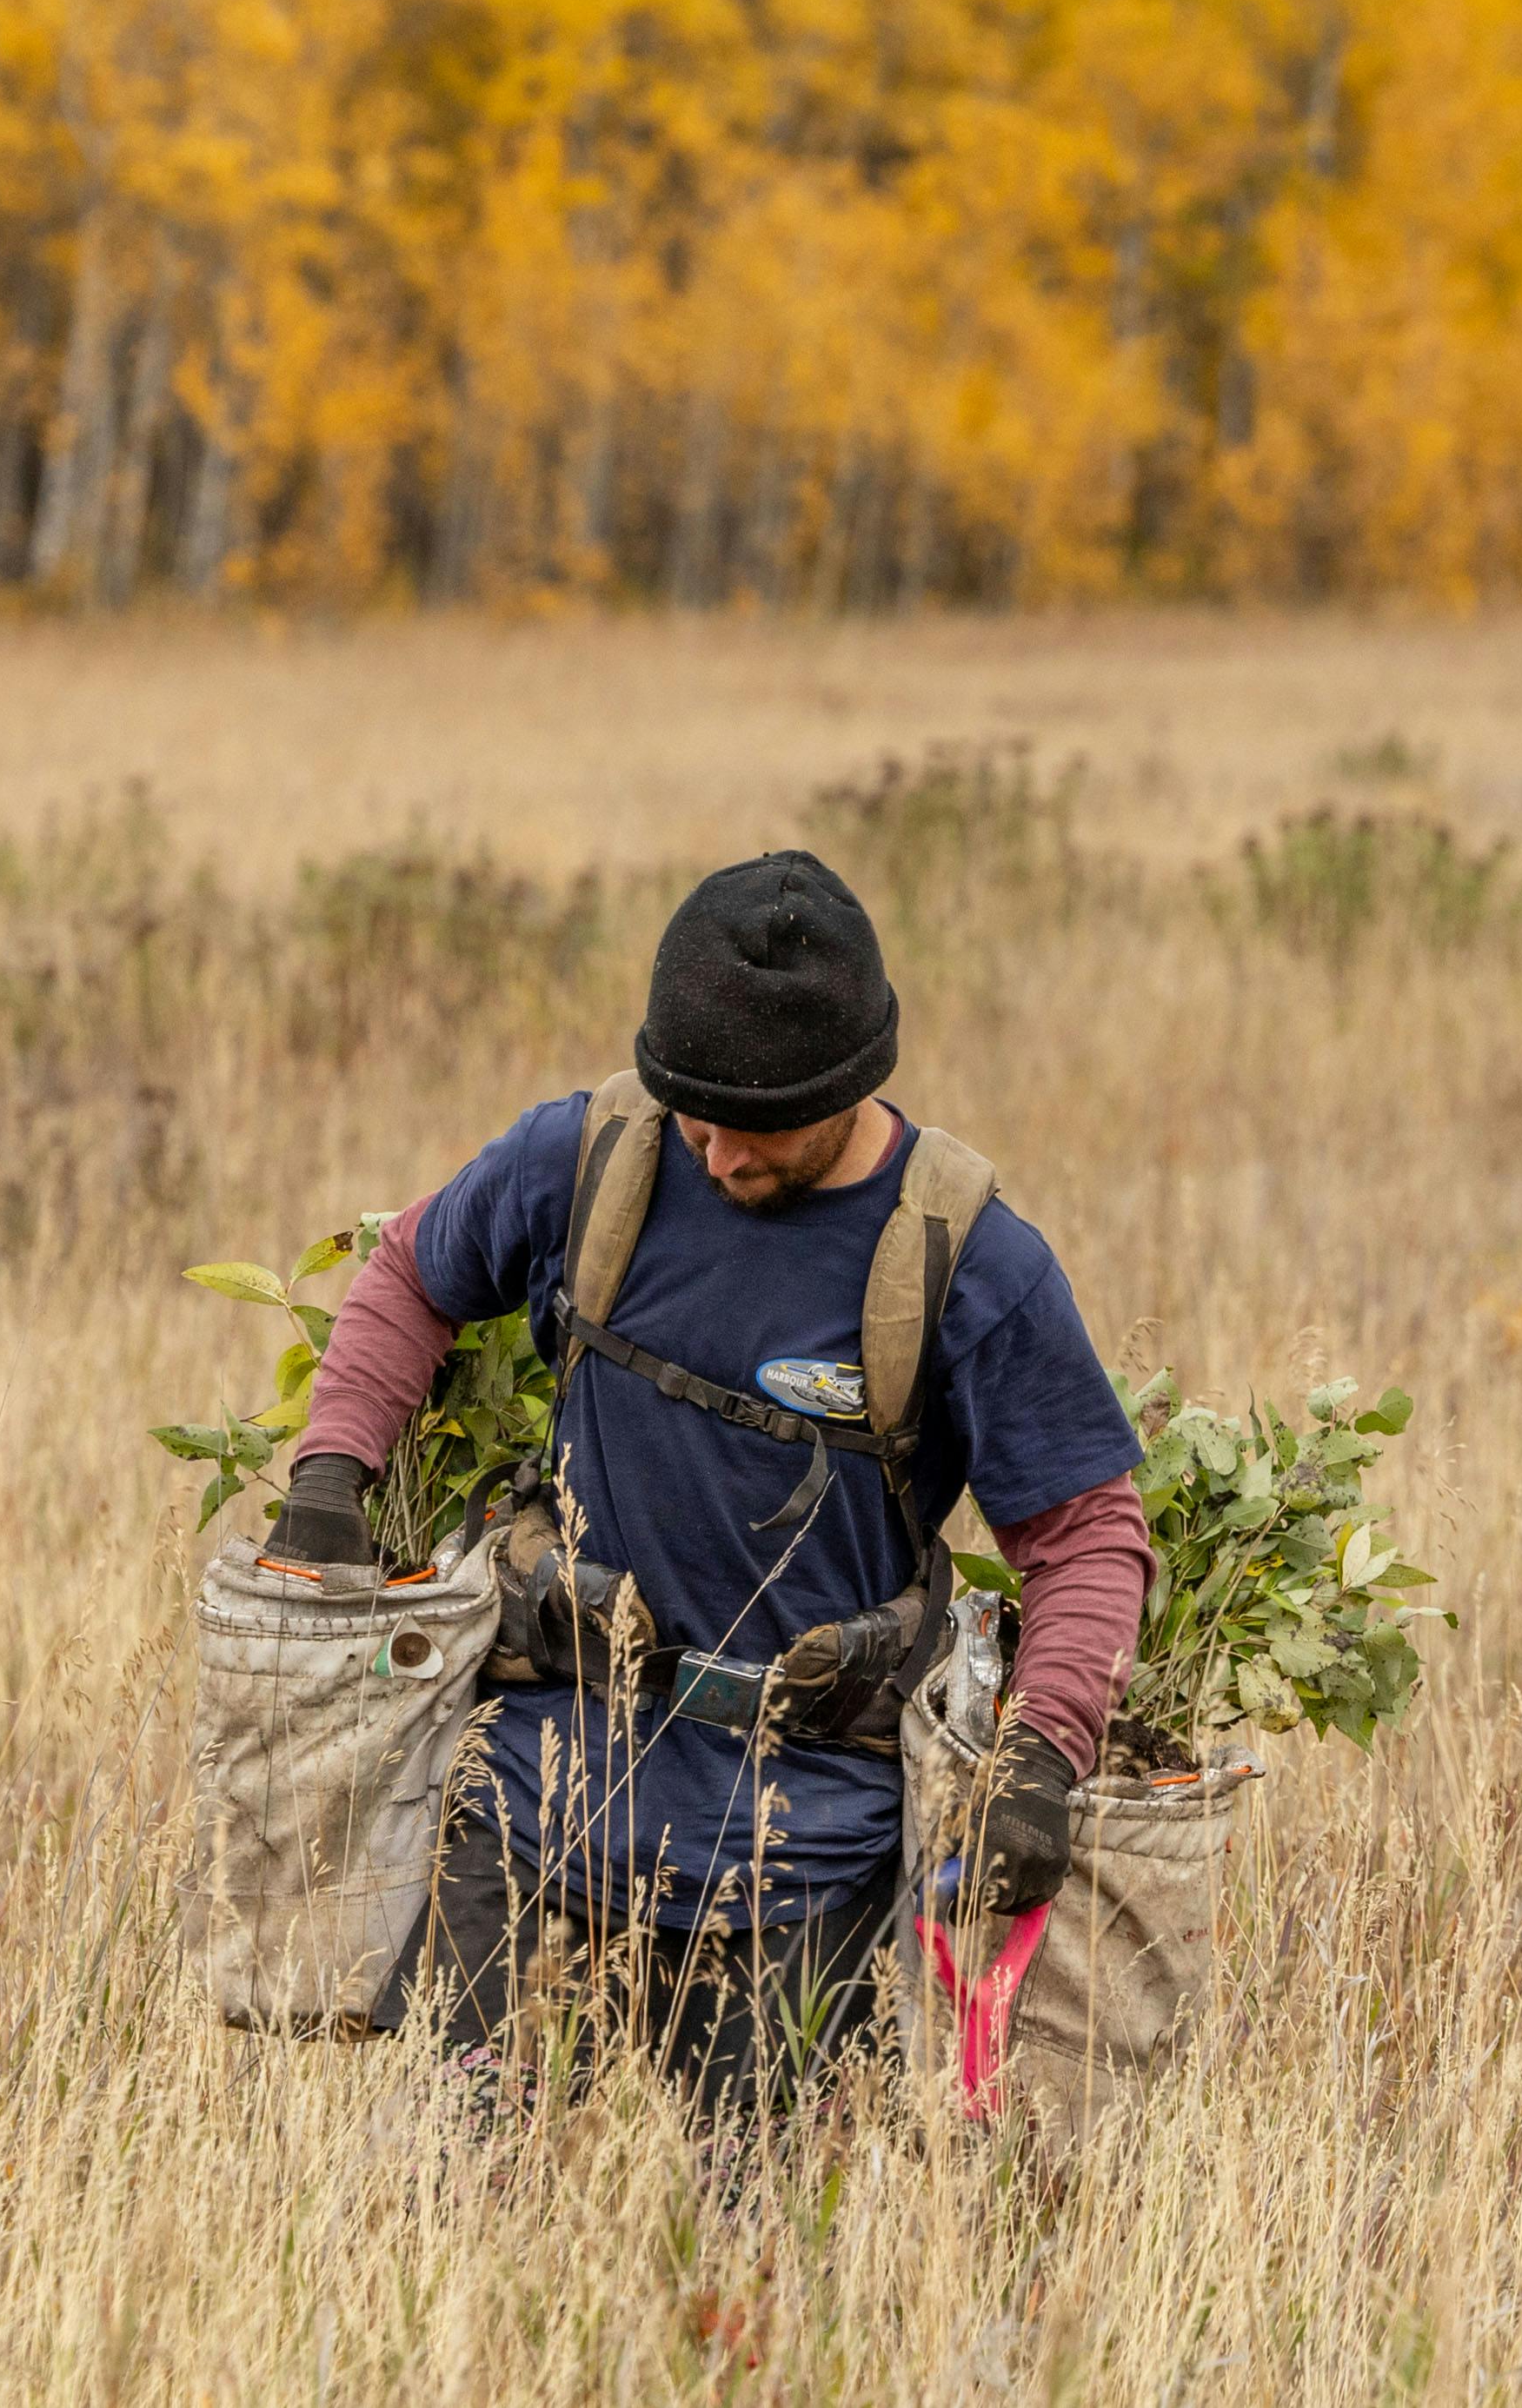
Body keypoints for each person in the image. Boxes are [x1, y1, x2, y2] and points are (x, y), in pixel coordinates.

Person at [263, 845, 1154, 2119]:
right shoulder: (585, 1161)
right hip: (528, 1808)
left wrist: (1043, 1758)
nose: (718, 1153)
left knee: (741, 2260)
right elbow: (412, 1273)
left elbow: (1086, 1538)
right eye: (693, 1112)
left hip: (804, 1861)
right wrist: (330, 1472)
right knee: (451, 2231)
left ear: (854, 1085)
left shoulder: (965, 1260)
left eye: (759, 1126)